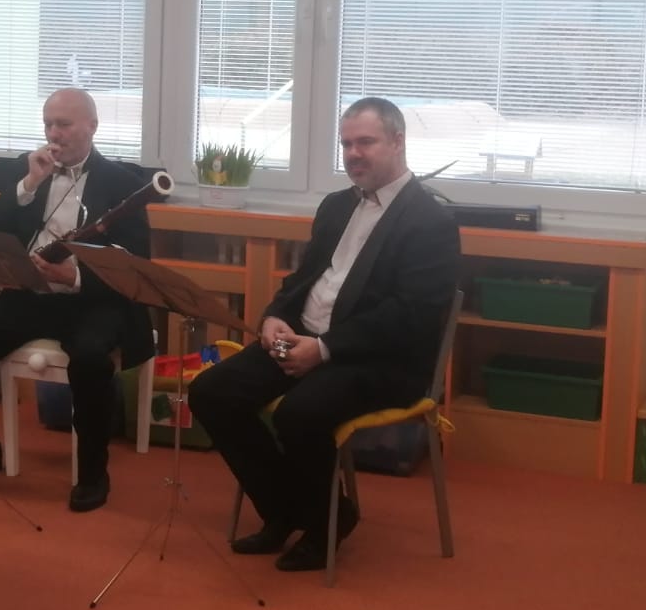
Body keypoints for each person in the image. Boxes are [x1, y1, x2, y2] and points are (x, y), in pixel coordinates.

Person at [187, 97, 459, 572]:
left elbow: (409, 316)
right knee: (211, 392)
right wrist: (274, 316)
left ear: (398, 142)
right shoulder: (336, 206)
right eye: (346, 144)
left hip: (380, 360)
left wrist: (325, 349)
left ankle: (320, 525)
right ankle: (290, 509)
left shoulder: (430, 222)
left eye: (365, 142)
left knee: (299, 414)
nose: (354, 154)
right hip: (303, 338)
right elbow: (303, 280)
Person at [0, 88, 153, 513]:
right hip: (32, 294)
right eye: (48, 124)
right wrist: (29, 184)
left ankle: (92, 473)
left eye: (63, 124)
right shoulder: (30, 170)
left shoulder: (124, 183)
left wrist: (75, 276)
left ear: (92, 126)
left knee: (90, 357)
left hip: (93, 300)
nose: (53, 133)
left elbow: (137, 263)